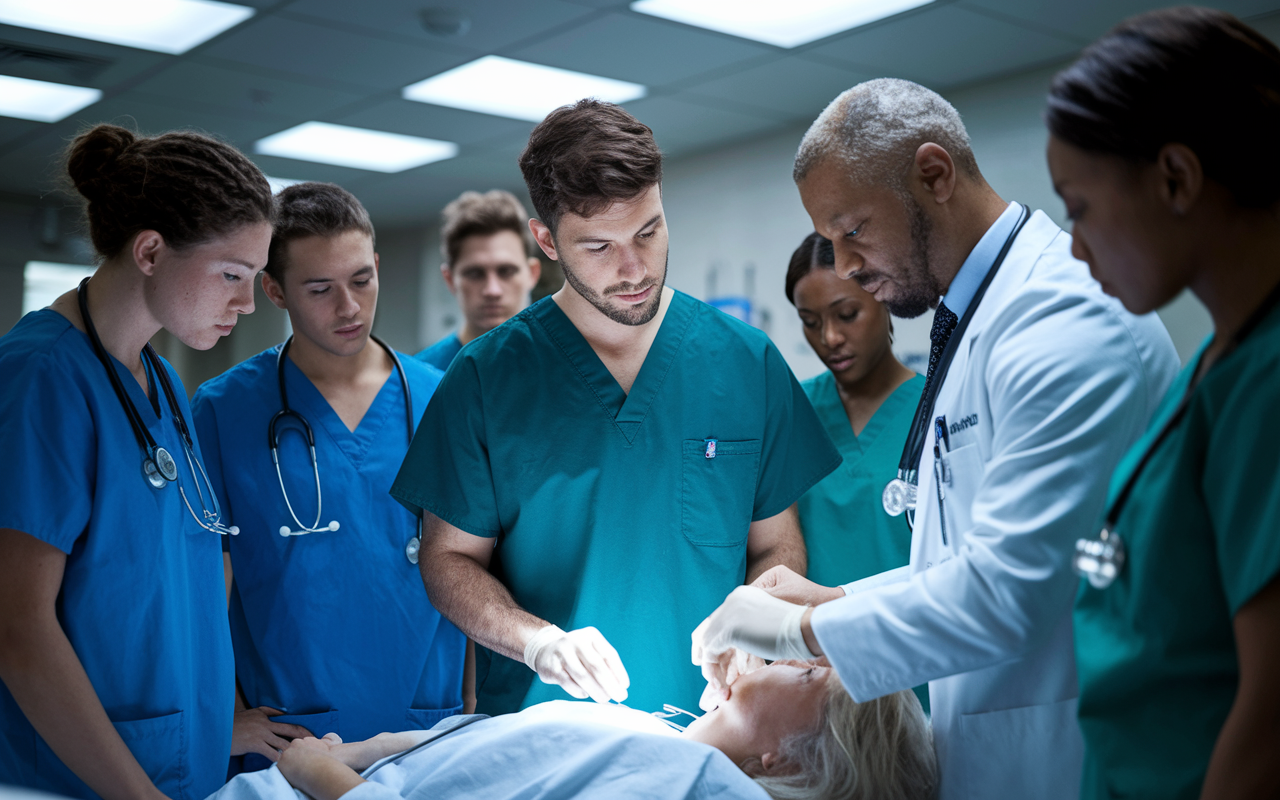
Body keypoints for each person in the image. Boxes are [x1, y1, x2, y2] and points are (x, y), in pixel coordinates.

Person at [693, 78, 1181, 799]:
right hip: (1011, 754)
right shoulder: (979, 317)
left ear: (933, 174)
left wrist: (795, 635)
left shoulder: (1066, 321)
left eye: (853, 229)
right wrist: (826, 599)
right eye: (830, 239)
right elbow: (973, 558)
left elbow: (1011, 591)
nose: (846, 263)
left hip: (1084, 760)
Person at [391, 100, 841, 717]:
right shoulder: (485, 377)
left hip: (717, 727)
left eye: (648, 232)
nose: (634, 269)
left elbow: (776, 544)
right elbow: (447, 561)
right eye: (599, 246)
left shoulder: (746, 362)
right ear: (546, 241)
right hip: (547, 736)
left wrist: (756, 626)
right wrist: (536, 642)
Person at [1045, 8, 1280, 799]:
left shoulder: (1268, 379)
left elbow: (1272, 709)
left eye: (1078, 209)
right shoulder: (1213, 365)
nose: (1075, 246)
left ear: (1176, 178)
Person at [0, 124, 274, 799]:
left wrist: (213, 723)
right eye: (232, 275)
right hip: (77, 782)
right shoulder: (41, 377)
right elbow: (17, 628)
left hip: (174, 762)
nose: (247, 301)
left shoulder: (160, 381)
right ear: (151, 251)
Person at [191, 183, 466, 768]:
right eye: (320, 289)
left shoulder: (441, 399)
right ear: (274, 290)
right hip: (290, 738)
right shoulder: (223, 410)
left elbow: (472, 562)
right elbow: (205, 585)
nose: (349, 308)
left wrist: (468, 705)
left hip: (426, 727)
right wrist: (226, 711)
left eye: (362, 280)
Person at [212, 662, 937, 800]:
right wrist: (373, 751)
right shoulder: (668, 740)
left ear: (781, 760)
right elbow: (488, 750)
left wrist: (321, 776)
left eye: (812, 676)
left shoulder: (691, 784)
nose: (797, 655)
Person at [787, 232, 928, 713]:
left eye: (846, 315)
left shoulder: (940, 410)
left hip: (920, 672)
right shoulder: (790, 411)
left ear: (883, 297)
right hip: (814, 680)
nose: (829, 338)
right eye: (810, 322)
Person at [415, 190, 541, 370]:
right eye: (475, 273)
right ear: (450, 279)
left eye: (506, 271)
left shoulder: (569, 369)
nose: (492, 290)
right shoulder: (418, 379)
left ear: (532, 273)